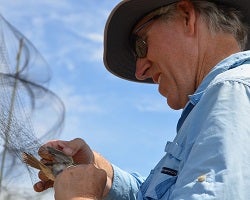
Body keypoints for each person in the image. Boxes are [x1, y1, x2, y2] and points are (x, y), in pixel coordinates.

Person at [34, 0, 250, 199]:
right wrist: (98, 172)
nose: (140, 71)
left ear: (186, 17)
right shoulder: (224, 98)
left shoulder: (230, 91)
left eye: (141, 44)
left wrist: (80, 197)